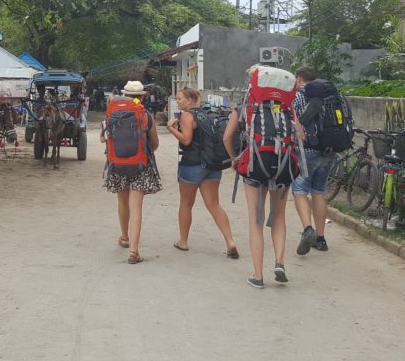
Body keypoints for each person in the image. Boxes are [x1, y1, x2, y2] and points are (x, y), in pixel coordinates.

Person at [223, 67, 299, 289]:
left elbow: (227, 137)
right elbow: (300, 135)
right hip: (282, 166)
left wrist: (235, 158)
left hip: (254, 167)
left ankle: (258, 276)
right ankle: (280, 262)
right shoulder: (286, 108)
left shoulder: (246, 105)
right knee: (278, 217)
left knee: (256, 221)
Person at [165, 87, 239, 258]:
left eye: (180, 99)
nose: (178, 102)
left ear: (190, 100)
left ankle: (183, 242)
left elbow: (186, 139)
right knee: (214, 204)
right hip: (212, 165)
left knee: (186, 203)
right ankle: (230, 241)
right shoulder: (207, 113)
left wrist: (171, 128)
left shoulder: (186, 115)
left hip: (192, 165)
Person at [101, 80, 161, 264]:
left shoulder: (112, 113)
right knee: (136, 207)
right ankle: (134, 250)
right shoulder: (146, 115)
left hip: (117, 164)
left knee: (122, 202)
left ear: (125, 94)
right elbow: (155, 144)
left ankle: (125, 237)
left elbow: (104, 139)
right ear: (142, 96)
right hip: (140, 166)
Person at [292, 66, 335, 254]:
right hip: (329, 149)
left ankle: (308, 229)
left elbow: (292, 122)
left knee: (300, 190)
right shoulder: (329, 96)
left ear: (299, 79)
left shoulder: (298, 96)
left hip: (306, 149)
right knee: (318, 192)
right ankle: (321, 238)